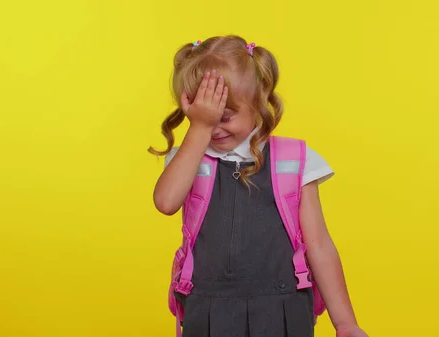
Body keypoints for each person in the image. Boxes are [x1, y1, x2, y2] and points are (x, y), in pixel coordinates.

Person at [149, 35, 367, 337]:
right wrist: (198, 128)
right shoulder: (188, 157)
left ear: (258, 101)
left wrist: (345, 322)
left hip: (284, 310)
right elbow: (166, 202)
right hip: (209, 311)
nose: (214, 129)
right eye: (202, 117)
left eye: (224, 117)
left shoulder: (295, 159)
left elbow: (319, 245)